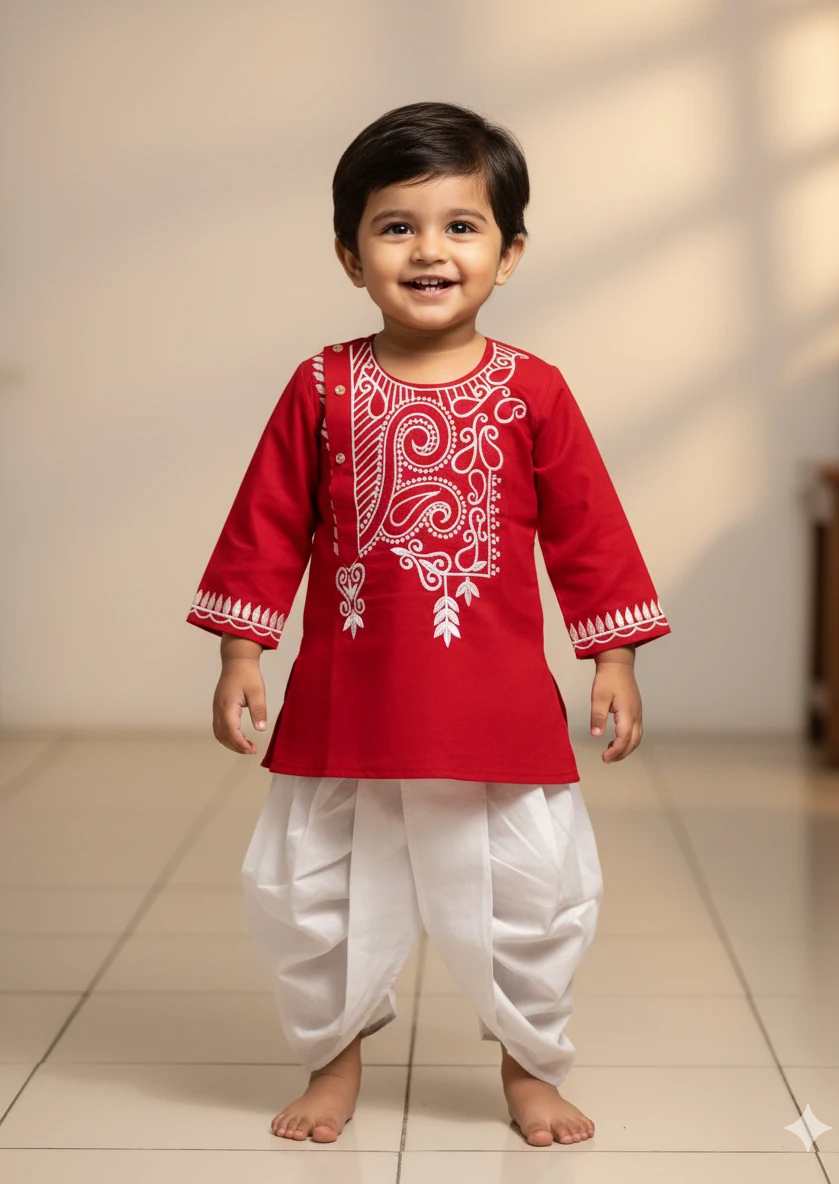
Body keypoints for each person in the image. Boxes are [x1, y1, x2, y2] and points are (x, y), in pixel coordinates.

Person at [185, 100, 671, 1147]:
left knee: (531, 895)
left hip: (496, 706)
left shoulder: (533, 391)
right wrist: (241, 650)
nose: (429, 250)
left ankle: (529, 1067)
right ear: (349, 254)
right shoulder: (321, 387)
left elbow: (588, 532)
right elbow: (267, 525)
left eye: (461, 225)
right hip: (347, 702)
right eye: (396, 226)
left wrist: (614, 657)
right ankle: (332, 1061)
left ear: (510, 253)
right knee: (314, 893)